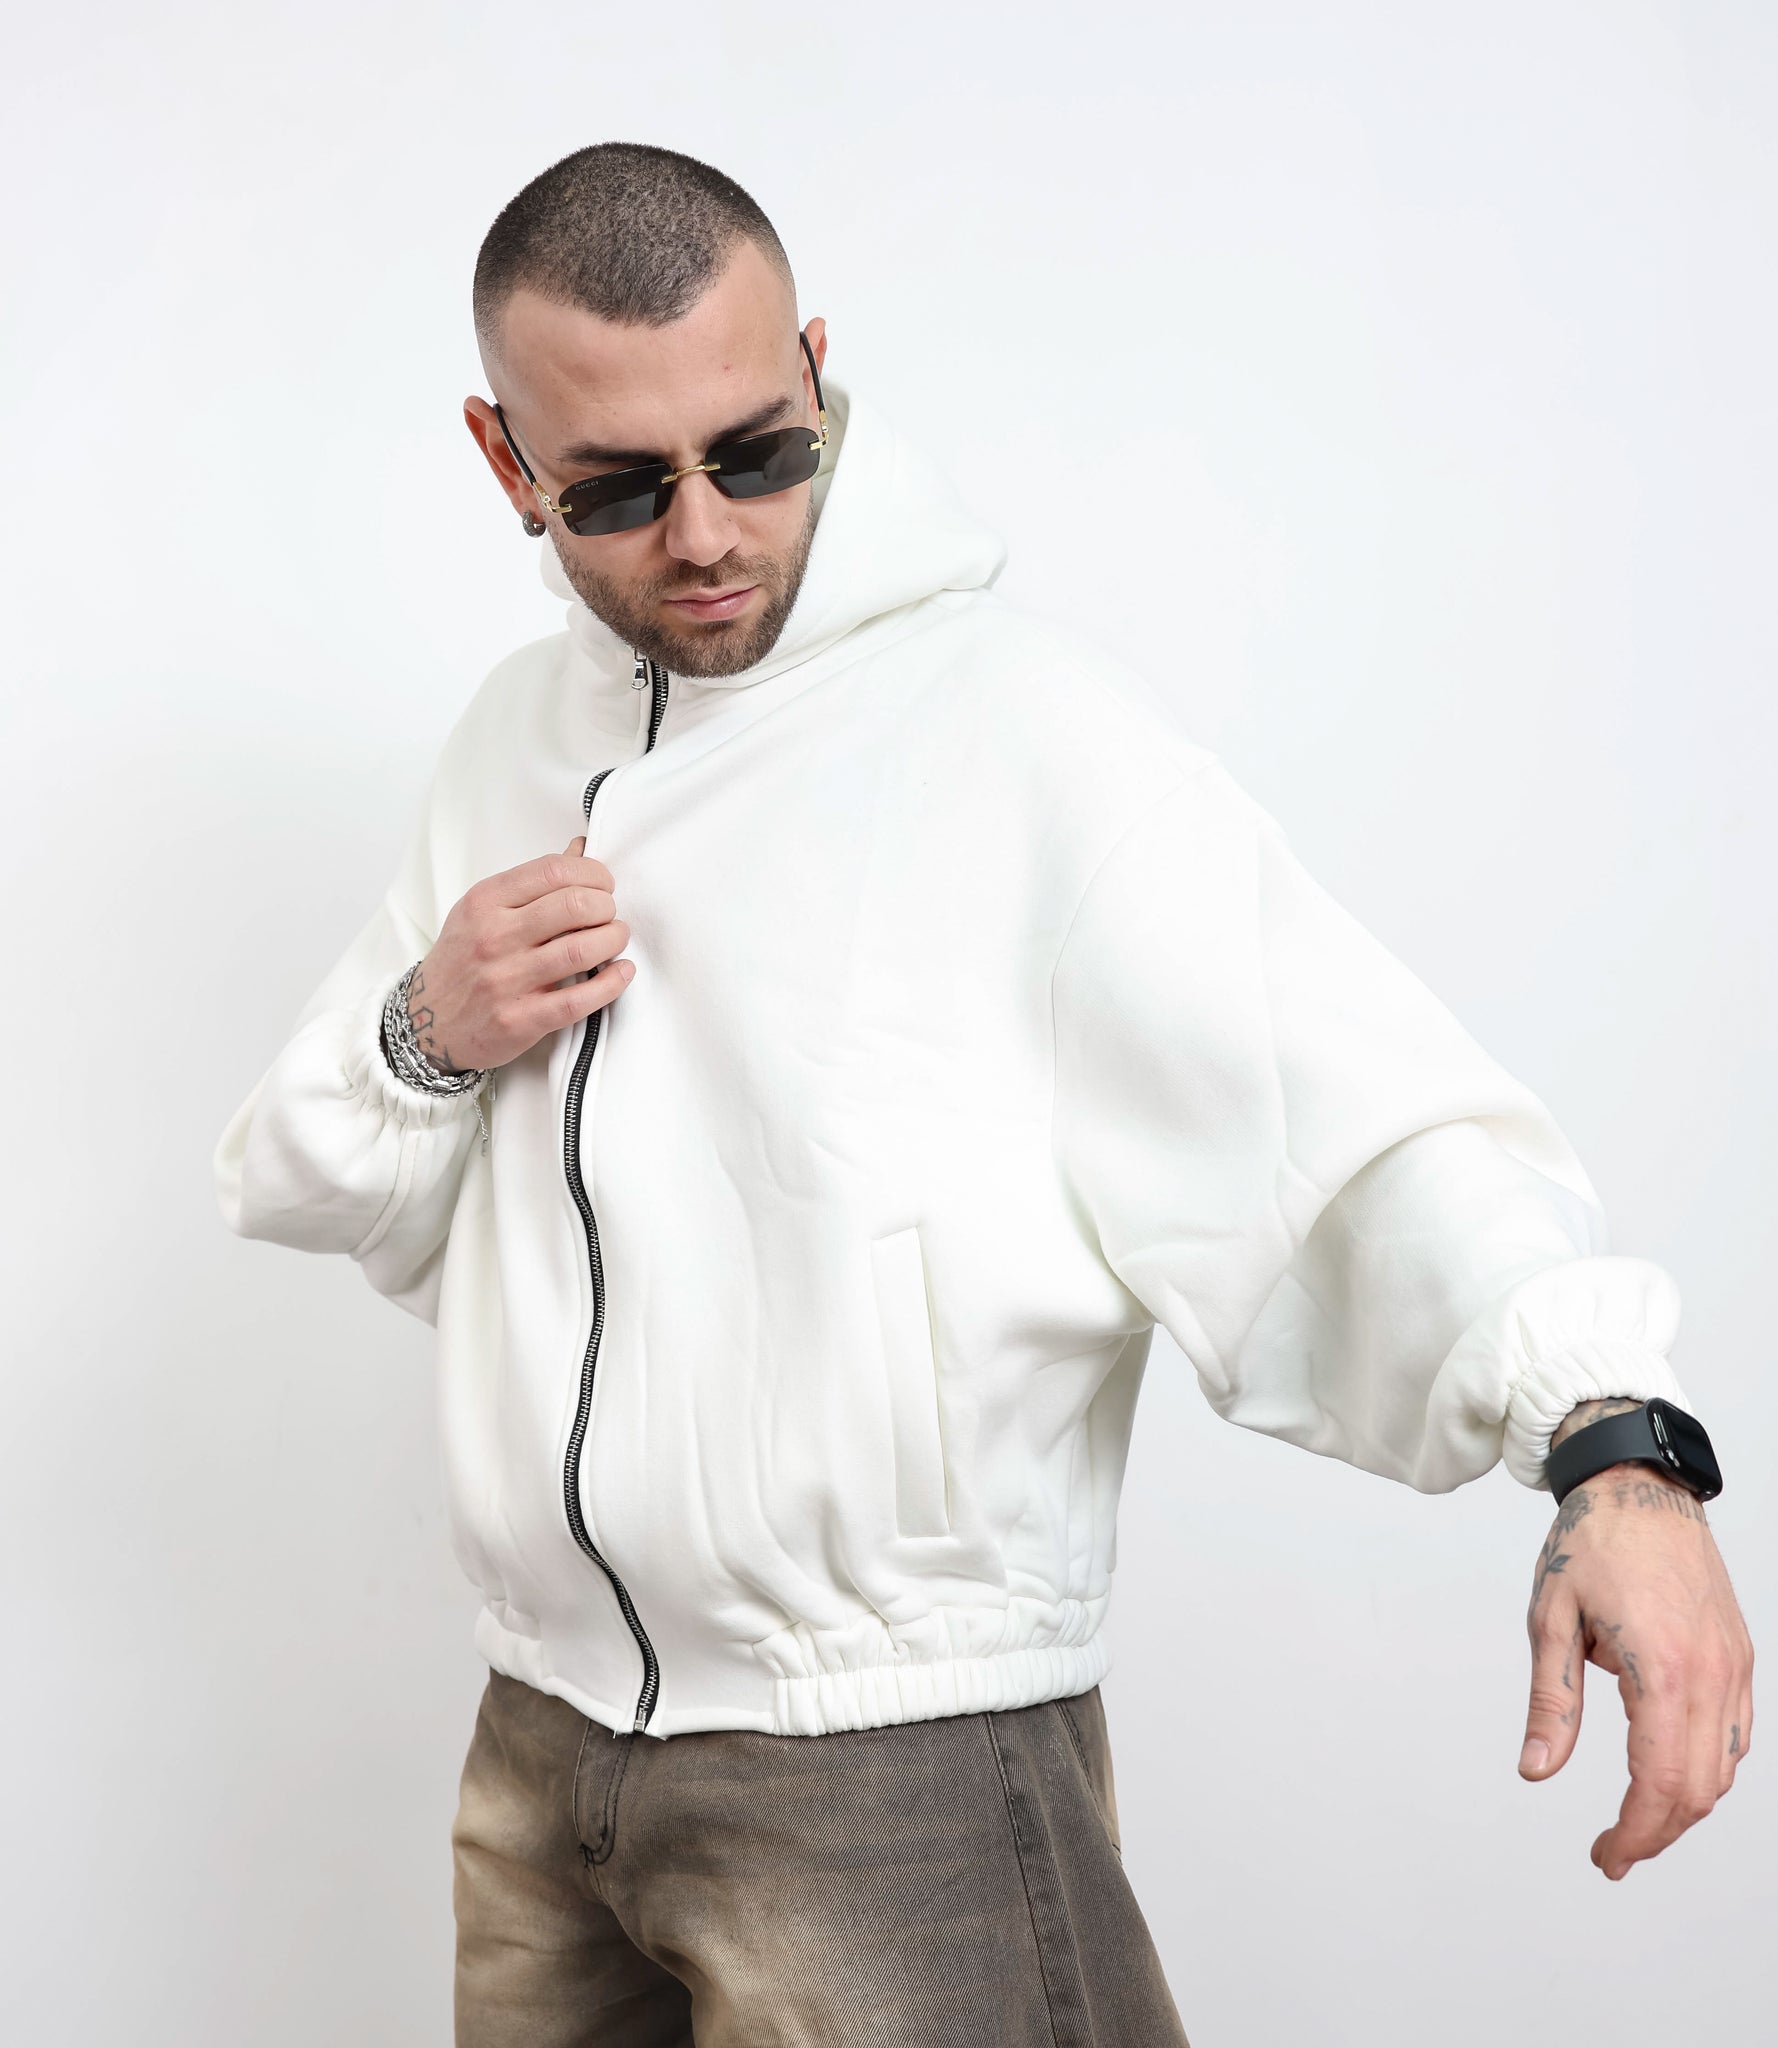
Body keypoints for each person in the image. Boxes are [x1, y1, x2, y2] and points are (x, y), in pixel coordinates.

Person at [213, 142, 1753, 2047]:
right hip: (541, 1758)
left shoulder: (1022, 738)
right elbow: (320, 1185)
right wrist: (427, 1028)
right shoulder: (506, 747)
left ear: (817, 370)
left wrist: (1610, 1447)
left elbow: (1344, 1120)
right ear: (502, 458)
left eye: (756, 453)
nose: (702, 535)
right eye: (614, 488)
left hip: (892, 1778)